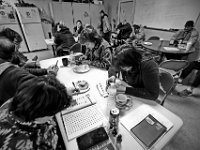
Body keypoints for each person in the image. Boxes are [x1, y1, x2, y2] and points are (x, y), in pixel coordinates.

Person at [0, 76, 72, 149]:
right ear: (41, 114)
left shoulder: (14, 103)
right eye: (53, 114)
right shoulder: (29, 144)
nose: (53, 116)